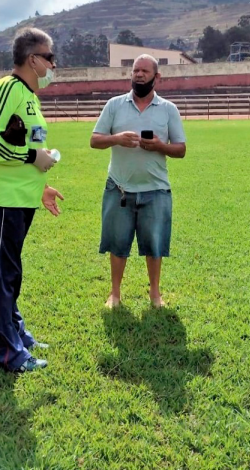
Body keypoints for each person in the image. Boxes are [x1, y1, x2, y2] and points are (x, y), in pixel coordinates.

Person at [0, 27, 64, 373]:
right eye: (50, 58)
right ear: (33, 59)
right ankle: (7, 353)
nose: (54, 65)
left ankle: (17, 335)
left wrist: (41, 185)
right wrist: (31, 159)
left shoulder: (31, 98)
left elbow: (31, 148)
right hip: (0, 199)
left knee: (11, 273)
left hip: (20, 199)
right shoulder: (6, 89)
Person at [90, 54, 186, 309]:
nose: (139, 75)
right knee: (118, 243)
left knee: (155, 244)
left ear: (157, 77)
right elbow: (95, 140)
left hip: (156, 190)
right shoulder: (114, 105)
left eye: (144, 71)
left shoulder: (168, 109)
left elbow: (181, 150)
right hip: (119, 188)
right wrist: (117, 138)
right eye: (135, 71)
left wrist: (159, 146)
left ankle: (155, 294)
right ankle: (115, 293)